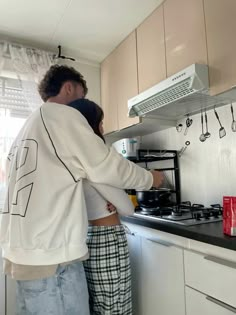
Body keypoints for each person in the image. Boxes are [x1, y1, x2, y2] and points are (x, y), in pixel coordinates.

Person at [0, 64, 164, 315]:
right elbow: (107, 167)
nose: (81, 105)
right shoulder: (61, 116)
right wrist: (151, 179)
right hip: (53, 257)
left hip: (24, 254)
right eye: (82, 96)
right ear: (69, 87)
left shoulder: (27, 127)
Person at [68, 98, 135, 314]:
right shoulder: (95, 161)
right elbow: (128, 208)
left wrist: (113, 199)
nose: (103, 127)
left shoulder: (73, 158)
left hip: (89, 237)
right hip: (108, 239)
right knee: (114, 306)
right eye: (101, 122)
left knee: (99, 304)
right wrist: (116, 200)